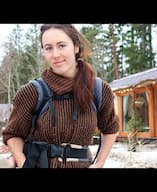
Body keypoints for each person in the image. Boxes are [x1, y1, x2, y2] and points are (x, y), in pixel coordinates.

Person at [2, 24, 119, 168]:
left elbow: (110, 128)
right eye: (48, 48)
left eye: (61, 45)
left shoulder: (99, 90)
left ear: (76, 47)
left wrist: (99, 163)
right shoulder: (32, 92)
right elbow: (13, 134)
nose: (55, 54)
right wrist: (23, 163)